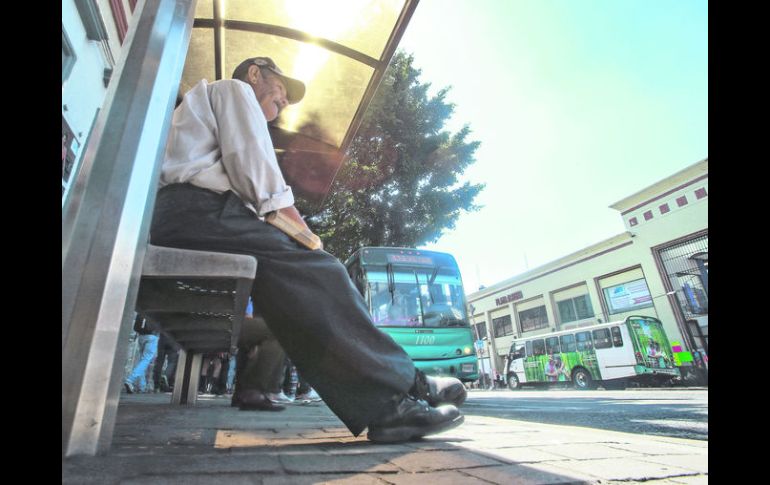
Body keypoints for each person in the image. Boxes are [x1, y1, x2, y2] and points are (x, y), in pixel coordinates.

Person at [151, 55, 467, 442]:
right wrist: (309, 242)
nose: (283, 105)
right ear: (254, 75)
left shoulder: (209, 110)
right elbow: (258, 176)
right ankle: (402, 391)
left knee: (297, 289)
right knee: (323, 270)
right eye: (281, 92)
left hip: (188, 215)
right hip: (198, 211)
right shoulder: (233, 90)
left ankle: (395, 396)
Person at [124, 313, 159, 393]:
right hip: (153, 336)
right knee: (146, 360)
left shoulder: (143, 309)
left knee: (142, 360)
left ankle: (142, 386)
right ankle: (130, 380)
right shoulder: (157, 310)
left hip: (141, 336)